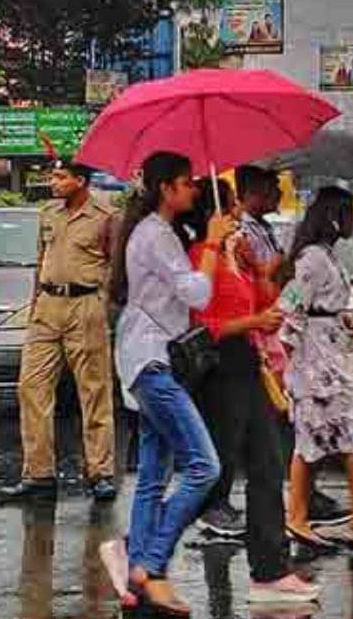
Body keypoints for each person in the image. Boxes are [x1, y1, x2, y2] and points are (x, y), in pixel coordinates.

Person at [182, 178, 320, 604]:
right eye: (231, 209)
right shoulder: (199, 258)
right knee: (211, 472)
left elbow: (264, 301)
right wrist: (252, 323)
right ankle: (141, 553)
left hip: (248, 364)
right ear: (214, 216)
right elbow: (202, 325)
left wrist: (257, 270)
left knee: (266, 465)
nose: (238, 216)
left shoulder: (236, 256)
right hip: (219, 371)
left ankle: (270, 570)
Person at [111, 152, 228, 616]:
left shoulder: (155, 232)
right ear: (166, 188)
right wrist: (213, 243)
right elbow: (198, 293)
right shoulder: (155, 235)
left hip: (146, 358)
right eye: (187, 183)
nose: (195, 190)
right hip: (152, 362)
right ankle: (153, 565)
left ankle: (138, 576)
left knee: (152, 476)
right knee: (205, 466)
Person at [227, 167, 352, 535]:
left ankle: (302, 499)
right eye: (271, 189)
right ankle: (292, 506)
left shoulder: (268, 231)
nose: (279, 196)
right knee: (286, 424)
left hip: (283, 331)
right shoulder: (243, 235)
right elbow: (268, 289)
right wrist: (271, 270)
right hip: (268, 332)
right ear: (252, 192)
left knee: (294, 424)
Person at [280, 186, 353, 553]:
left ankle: (300, 516)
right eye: (349, 213)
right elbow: (292, 306)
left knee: (312, 438)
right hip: (316, 361)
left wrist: (350, 321)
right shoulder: (312, 259)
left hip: (329, 352)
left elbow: (326, 306)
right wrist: (288, 362)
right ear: (334, 217)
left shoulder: (327, 255)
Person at [0, 162, 119, 504]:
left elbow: (115, 265)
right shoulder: (49, 213)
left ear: (80, 181)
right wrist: (34, 304)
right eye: (53, 176)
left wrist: (103, 304)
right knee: (31, 388)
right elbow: (41, 260)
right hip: (47, 306)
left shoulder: (106, 215)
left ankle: (100, 472)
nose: (53, 182)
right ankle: (39, 474)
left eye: (60, 177)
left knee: (93, 392)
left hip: (86, 304)